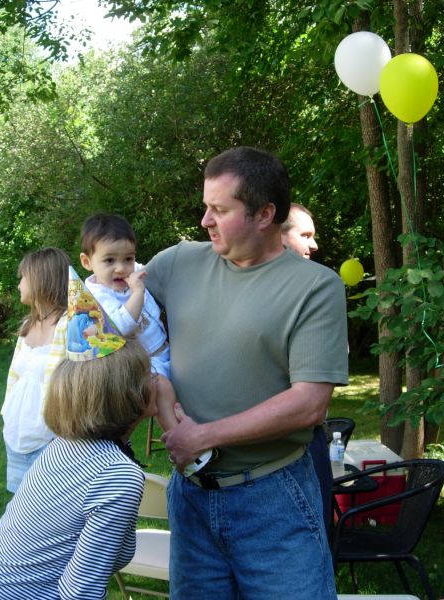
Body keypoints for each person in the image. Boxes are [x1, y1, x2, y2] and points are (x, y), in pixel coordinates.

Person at [145, 146, 349, 599]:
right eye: (206, 206)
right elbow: (111, 311)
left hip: (273, 499)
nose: (205, 220)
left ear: (264, 214)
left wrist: (204, 436)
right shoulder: (177, 263)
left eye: (220, 209)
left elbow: (310, 403)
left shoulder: (315, 287)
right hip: (191, 497)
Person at [0, 281, 156, 599]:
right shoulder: (118, 476)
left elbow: (119, 555)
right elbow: (79, 593)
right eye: (149, 375)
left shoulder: (64, 445)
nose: (158, 381)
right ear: (133, 396)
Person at [79, 213, 214, 474]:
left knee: (189, 388)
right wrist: (138, 292)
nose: (121, 268)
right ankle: (180, 445)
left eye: (128, 258)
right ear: (87, 262)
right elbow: (122, 326)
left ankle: (205, 428)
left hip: (166, 352)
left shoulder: (131, 275)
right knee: (162, 391)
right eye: (109, 260)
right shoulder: (98, 296)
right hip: (141, 363)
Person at [281, 202, 335, 534]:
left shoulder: (318, 290)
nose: (314, 245)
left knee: (313, 539)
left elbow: (312, 401)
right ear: (279, 235)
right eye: (305, 235)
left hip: (304, 444)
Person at [0, 247, 69, 493]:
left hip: (51, 441)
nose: (19, 284)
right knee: (20, 516)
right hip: (17, 437)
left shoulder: (71, 325)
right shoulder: (28, 327)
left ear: (41, 278)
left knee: (49, 520)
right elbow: (17, 381)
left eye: (23, 277)